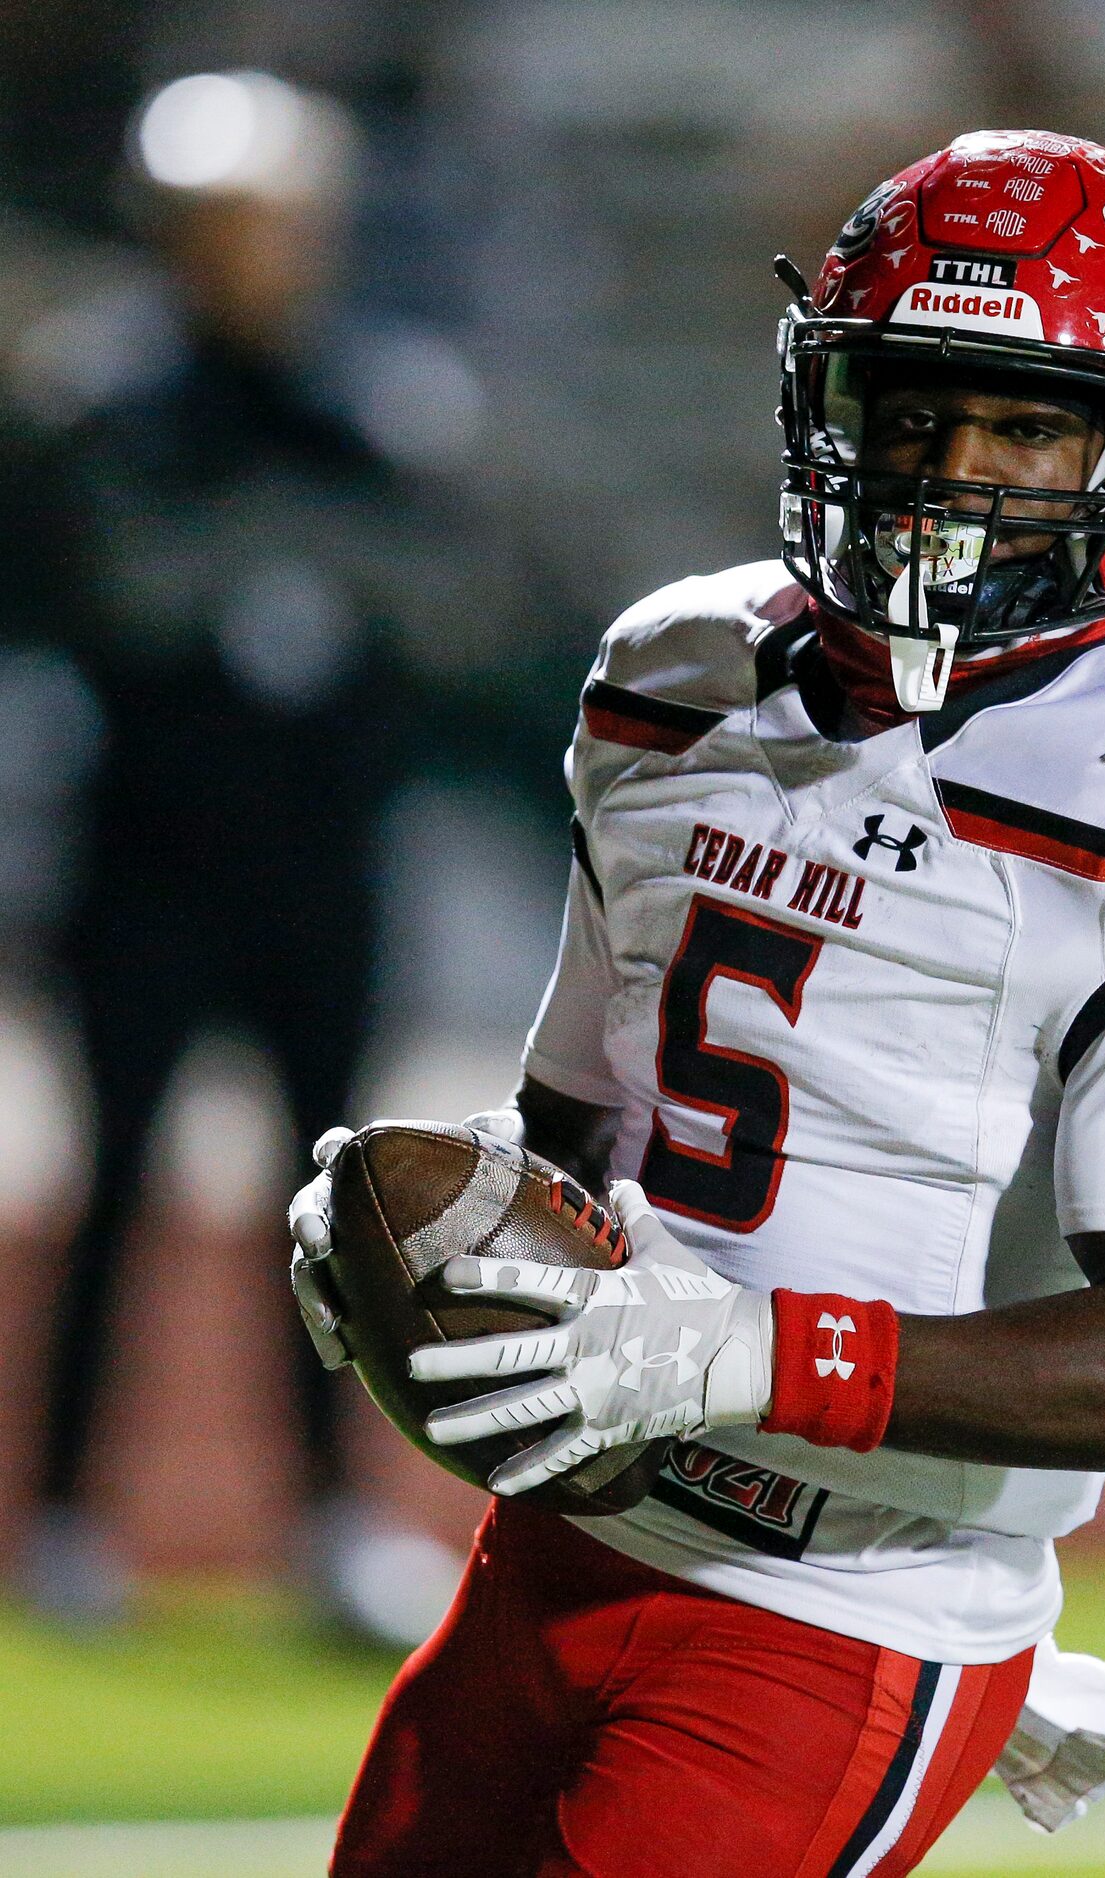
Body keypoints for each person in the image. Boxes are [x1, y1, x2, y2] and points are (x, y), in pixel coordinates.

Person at [295, 130, 1105, 1875]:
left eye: (1026, 422)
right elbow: (580, 1125)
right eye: (913, 405)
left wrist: (744, 1355)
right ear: (830, 404)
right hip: (564, 1536)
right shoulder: (672, 673)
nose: (953, 472)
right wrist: (435, 1221)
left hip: (845, 1601)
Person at [13, 71, 476, 1642]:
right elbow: (130, 596)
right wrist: (292, 522)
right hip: (144, 859)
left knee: (340, 1209)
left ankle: (336, 1517)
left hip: (320, 860)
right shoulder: (103, 400)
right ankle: (67, 1514)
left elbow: (446, 613)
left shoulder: (380, 397)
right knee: (118, 1185)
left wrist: (289, 519)